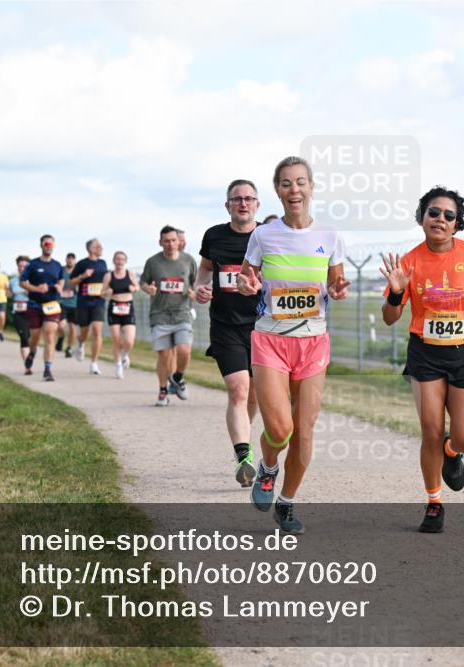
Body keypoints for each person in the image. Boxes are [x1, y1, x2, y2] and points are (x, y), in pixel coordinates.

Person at [380, 186, 464, 534]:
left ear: (457, 224)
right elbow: (390, 318)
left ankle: (452, 453)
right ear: (422, 217)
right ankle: (434, 502)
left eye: (449, 215)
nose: (440, 219)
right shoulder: (409, 262)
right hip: (425, 354)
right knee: (431, 431)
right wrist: (396, 293)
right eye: (433, 212)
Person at [236, 156, 350, 534]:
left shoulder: (330, 236)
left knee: (304, 431)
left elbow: (335, 283)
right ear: (278, 191)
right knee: (280, 429)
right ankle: (268, 468)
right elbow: (247, 279)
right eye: (286, 183)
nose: (294, 189)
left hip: (313, 341)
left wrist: (337, 290)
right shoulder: (262, 235)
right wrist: (247, 285)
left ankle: (286, 502)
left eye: (300, 182)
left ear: (311, 187)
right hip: (271, 339)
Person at [196, 178, 263, 487]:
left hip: (262, 327)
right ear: (228, 205)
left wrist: (259, 286)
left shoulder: (267, 236)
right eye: (237, 199)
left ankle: (243, 437)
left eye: (248, 198)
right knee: (238, 389)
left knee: (254, 395)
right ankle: (243, 458)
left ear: (257, 204)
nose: (243, 203)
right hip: (226, 326)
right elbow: (206, 268)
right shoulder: (214, 235)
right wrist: (200, 286)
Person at [141, 225, 197, 406]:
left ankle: (178, 377)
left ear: (179, 241)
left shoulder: (188, 261)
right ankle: (163, 391)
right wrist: (148, 288)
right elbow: (143, 281)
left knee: (184, 349)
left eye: (173, 240)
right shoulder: (153, 262)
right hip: (160, 314)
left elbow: (196, 283)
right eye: (166, 241)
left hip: (182, 313)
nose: (171, 244)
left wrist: (194, 293)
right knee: (164, 355)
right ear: (160, 242)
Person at [20, 235, 65, 381]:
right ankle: (32, 352)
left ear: (54, 246)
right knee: (35, 337)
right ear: (41, 245)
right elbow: (22, 282)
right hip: (35, 305)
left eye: (51, 244)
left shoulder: (57, 265)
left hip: (52, 304)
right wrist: (36, 289)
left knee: (50, 335)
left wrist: (60, 287)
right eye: (46, 244)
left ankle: (47, 369)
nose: (48, 246)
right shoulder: (33, 264)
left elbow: (61, 279)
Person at [70, 238, 108, 375]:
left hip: (99, 301)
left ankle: (94, 363)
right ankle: (80, 344)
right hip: (84, 302)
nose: (101, 248)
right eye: (98, 246)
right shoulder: (81, 264)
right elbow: (71, 282)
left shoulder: (103, 263)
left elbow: (106, 280)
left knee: (97, 330)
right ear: (91, 249)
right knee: (84, 333)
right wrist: (83, 276)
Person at [102, 251, 139, 379]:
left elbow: (137, 287)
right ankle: (118, 365)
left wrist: (134, 289)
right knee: (117, 340)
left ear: (125, 261)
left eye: (122, 259)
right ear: (114, 261)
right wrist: (107, 292)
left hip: (128, 307)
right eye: (117, 259)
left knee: (129, 340)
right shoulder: (109, 276)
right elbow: (102, 293)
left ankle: (124, 355)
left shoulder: (130, 274)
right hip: (114, 308)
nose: (120, 261)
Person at [9, 256, 33, 375]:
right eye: (20, 266)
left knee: (30, 338)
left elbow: (36, 294)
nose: (22, 268)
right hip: (18, 312)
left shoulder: (32, 280)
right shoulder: (13, 281)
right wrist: (8, 293)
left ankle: (30, 357)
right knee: (24, 338)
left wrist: (28, 290)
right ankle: (27, 366)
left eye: (25, 266)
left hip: (31, 311)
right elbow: (9, 294)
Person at [57, 252, 79, 357]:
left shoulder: (78, 272)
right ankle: (61, 337)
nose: (70, 260)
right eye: (68, 258)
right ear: (66, 260)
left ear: (75, 261)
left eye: (72, 259)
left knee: (73, 328)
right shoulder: (60, 270)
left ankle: (69, 348)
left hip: (74, 304)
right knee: (61, 326)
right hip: (62, 302)